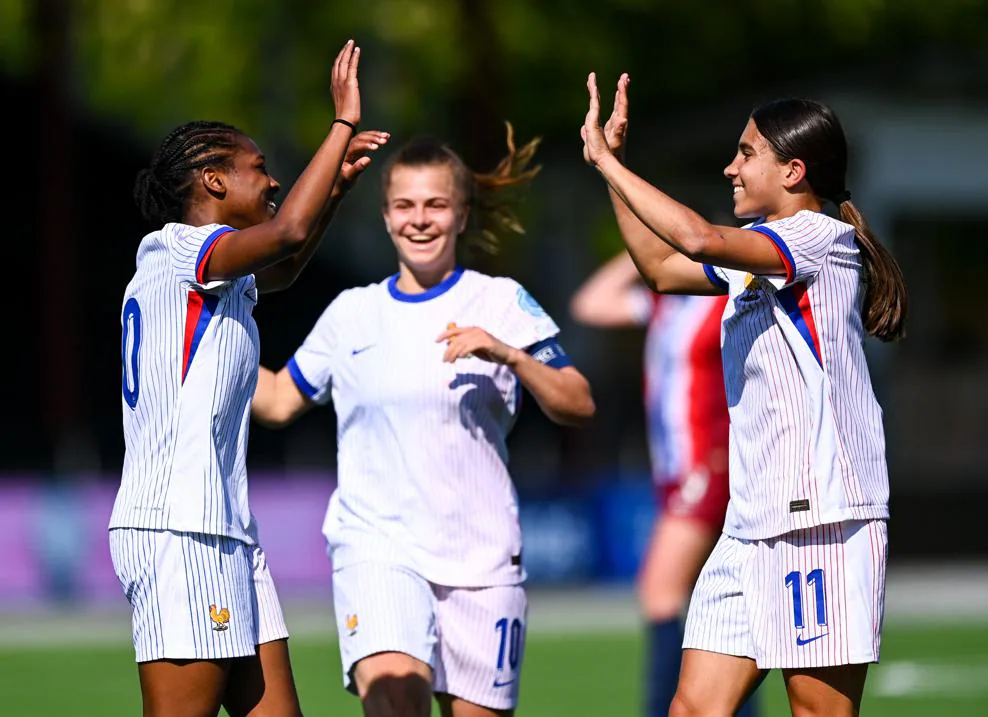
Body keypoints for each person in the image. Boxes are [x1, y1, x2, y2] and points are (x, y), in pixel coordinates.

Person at [580, 73, 907, 717]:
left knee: (818, 712)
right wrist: (611, 167)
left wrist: (603, 160)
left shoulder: (818, 237)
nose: (731, 167)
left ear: (793, 171)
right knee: (694, 709)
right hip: (750, 522)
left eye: (746, 153)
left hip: (823, 519)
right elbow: (659, 268)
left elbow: (696, 238)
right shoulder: (757, 258)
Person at [250, 127, 596, 717]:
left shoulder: (502, 301)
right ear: (385, 217)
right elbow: (281, 398)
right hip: (377, 545)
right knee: (396, 693)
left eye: (436, 204)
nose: (420, 220)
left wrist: (509, 354)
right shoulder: (352, 313)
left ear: (461, 215)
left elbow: (577, 402)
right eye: (405, 205)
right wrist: (205, 336)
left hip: (481, 559)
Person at [109, 40, 387, 717]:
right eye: (258, 168)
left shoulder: (217, 274)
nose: (270, 180)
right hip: (179, 528)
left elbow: (285, 263)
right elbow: (288, 232)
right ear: (210, 180)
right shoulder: (182, 250)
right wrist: (340, 125)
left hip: (227, 526)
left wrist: (339, 187)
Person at [570, 255, 757, 717]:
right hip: (675, 469)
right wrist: (636, 255)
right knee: (719, 602)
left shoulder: (722, 300)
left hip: (709, 463)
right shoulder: (663, 303)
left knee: (661, 591)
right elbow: (589, 305)